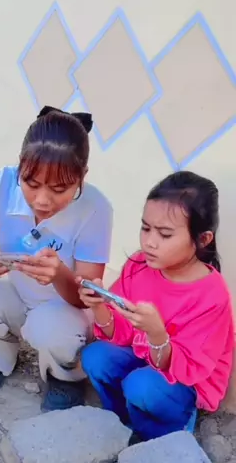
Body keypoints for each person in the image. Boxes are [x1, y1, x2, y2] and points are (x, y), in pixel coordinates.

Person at [0, 106, 113, 412]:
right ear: (20, 167)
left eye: (60, 188)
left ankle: (65, 376)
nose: (42, 200)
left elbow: (85, 297)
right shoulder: (3, 182)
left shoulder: (96, 208)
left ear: (82, 177)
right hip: (18, 294)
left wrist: (59, 273)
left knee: (49, 328)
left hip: (66, 313)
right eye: (31, 183)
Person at [80, 171, 234, 441]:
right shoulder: (139, 264)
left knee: (141, 386)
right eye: (146, 228)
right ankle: (123, 420)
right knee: (96, 357)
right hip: (144, 359)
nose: (150, 242)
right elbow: (122, 334)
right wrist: (99, 306)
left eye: (165, 234)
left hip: (185, 380)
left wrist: (157, 334)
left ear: (202, 239)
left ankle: (163, 433)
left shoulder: (212, 294)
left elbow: (188, 369)